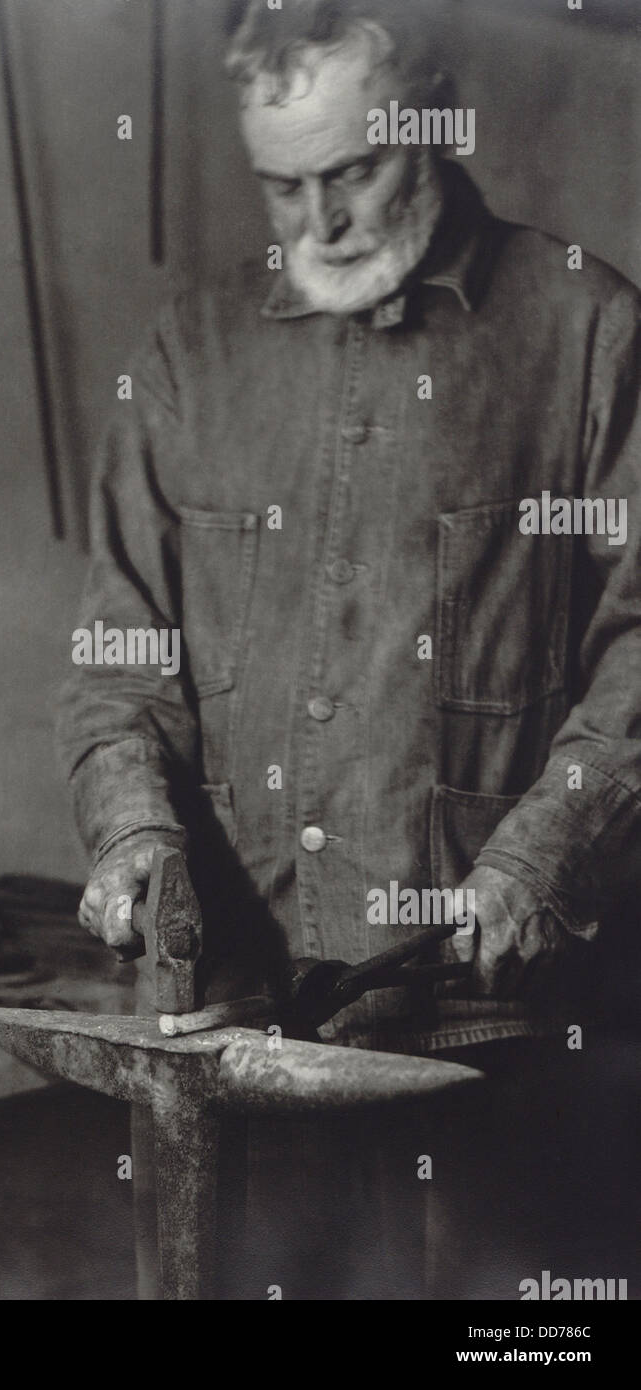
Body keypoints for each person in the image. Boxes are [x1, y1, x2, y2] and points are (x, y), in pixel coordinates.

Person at [56, 0, 641, 1295]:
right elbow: (117, 649)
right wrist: (132, 831)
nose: (317, 224)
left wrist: (547, 849)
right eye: (281, 187)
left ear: (431, 120)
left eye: (354, 172)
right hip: (242, 1029)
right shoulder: (186, 360)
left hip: (500, 1037)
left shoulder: (587, 331)